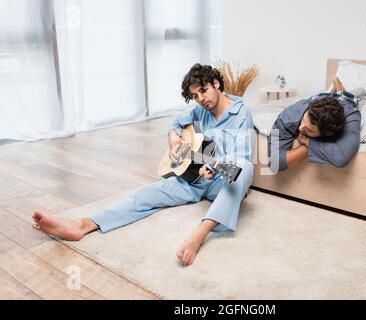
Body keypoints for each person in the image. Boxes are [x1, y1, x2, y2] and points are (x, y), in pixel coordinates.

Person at [32, 63, 255, 266]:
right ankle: (83, 225)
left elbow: (239, 155)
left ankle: (202, 231)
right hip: (193, 178)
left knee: (245, 168)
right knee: (145, 194)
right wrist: (173, 135)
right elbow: (177, 123)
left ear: (216, 84)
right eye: (195, 96)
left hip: (222, 182)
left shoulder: (240, 113)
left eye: (203, 91)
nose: (201, 99)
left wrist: (213, 167)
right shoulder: (200, 110)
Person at [268, 78, 361, 173]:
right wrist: (316, 148)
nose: (300, 128)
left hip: (346, 102)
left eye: (309, 130)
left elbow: (341, 158)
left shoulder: (351, 117)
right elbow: (274, 163)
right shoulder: (287, 117)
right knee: (324, 96)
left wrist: (307, 142)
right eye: (303, 120)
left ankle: (340, 89)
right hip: (320, 98)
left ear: (327, 134)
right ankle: (332, 90)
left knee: (347, 96)